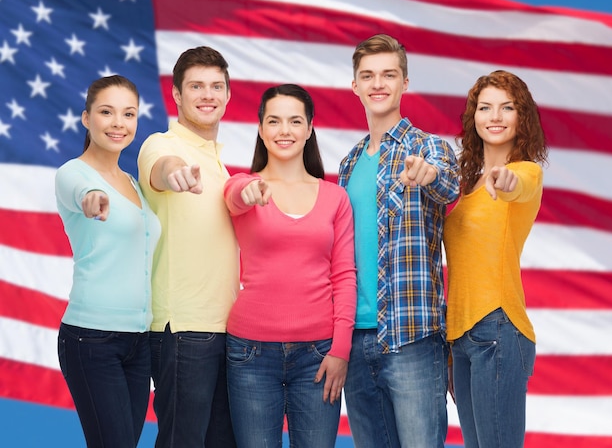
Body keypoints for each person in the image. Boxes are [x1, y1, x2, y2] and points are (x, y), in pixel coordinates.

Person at [337, 34, 460, 448]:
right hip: (354, 339)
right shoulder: (349, 163)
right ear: (354, 85)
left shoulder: (429, 149)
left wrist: (427, 174)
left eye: (389, 74)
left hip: (412, 336)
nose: (378, 83)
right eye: (368, 76)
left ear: (405, 83)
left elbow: (447, 184)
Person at [223, 84, 357, 448]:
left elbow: (344, 276)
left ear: (310, 128)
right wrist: (247, 192)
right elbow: (234, 197)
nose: (285, 131)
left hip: (318, 355)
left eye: (295, 121)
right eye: (274, 121)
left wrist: (340, 350)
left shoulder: (335, 197)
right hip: (250, 353)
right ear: (261, 128)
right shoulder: (245, 185)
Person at [137, 46, 239, 447]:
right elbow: (162, 170)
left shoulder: (220, 163)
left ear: (229, 95)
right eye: (196, 86)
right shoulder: (161, 145)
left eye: (216, 86)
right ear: (177, 95)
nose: (207, 95)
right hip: (183, 329)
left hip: (227, 330)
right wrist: (175, 174)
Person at [443, 70, 548, 448]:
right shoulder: (463, 184)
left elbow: (517, 186)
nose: (495, 116)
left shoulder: (525, 172)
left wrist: (504, 180)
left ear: (522, 118)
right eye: (485, 107)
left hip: (498, 329)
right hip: (460, 339)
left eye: (507, 107)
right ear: (474, 118)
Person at [55, 75, 161, 448]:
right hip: (92, 338)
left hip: (138, 341)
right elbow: (83, 192)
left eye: (128, 114)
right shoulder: (73, 173)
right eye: (107, 112)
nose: (119, 122)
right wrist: (92, 197)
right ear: (87, 118)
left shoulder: (133, 182)